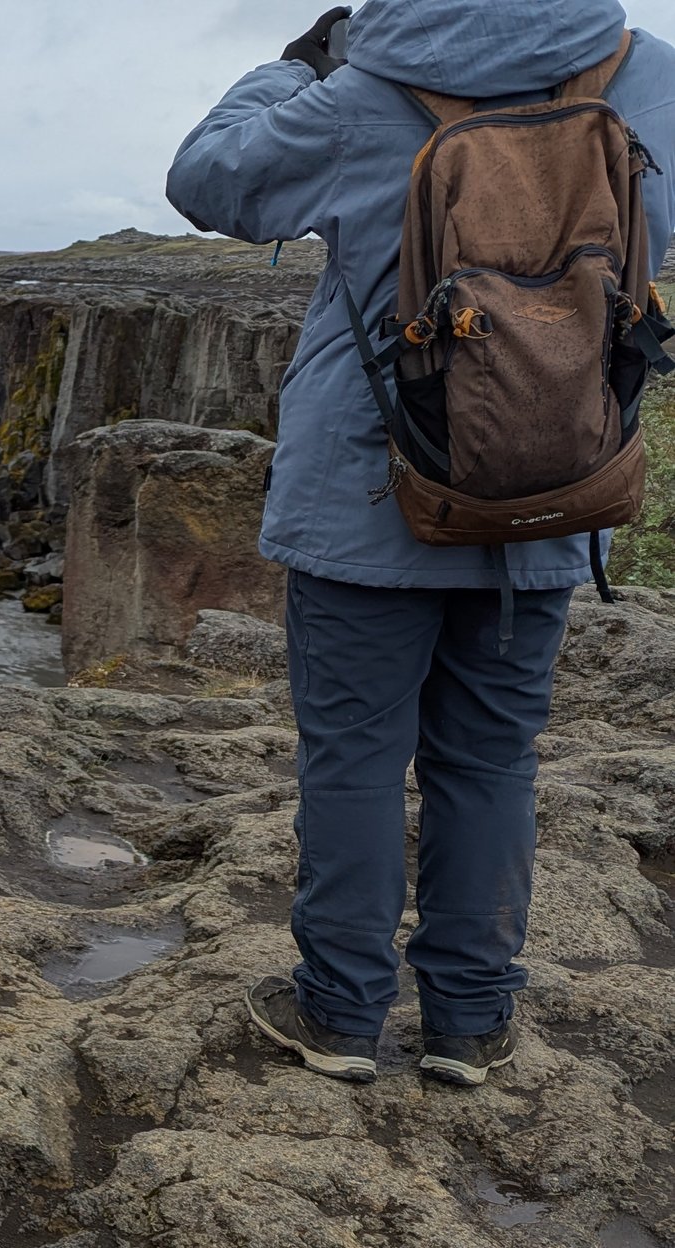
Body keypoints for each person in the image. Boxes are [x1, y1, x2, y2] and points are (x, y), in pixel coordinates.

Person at [168, 0, 675, 1085]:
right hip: (550, 478)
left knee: (351, 758)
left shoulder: (361, 92)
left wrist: (294, 71)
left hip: (370, 490)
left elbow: (208, 179)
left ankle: (339, 1015)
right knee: (490, 757)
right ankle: (470, 1021)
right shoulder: (643, 76)